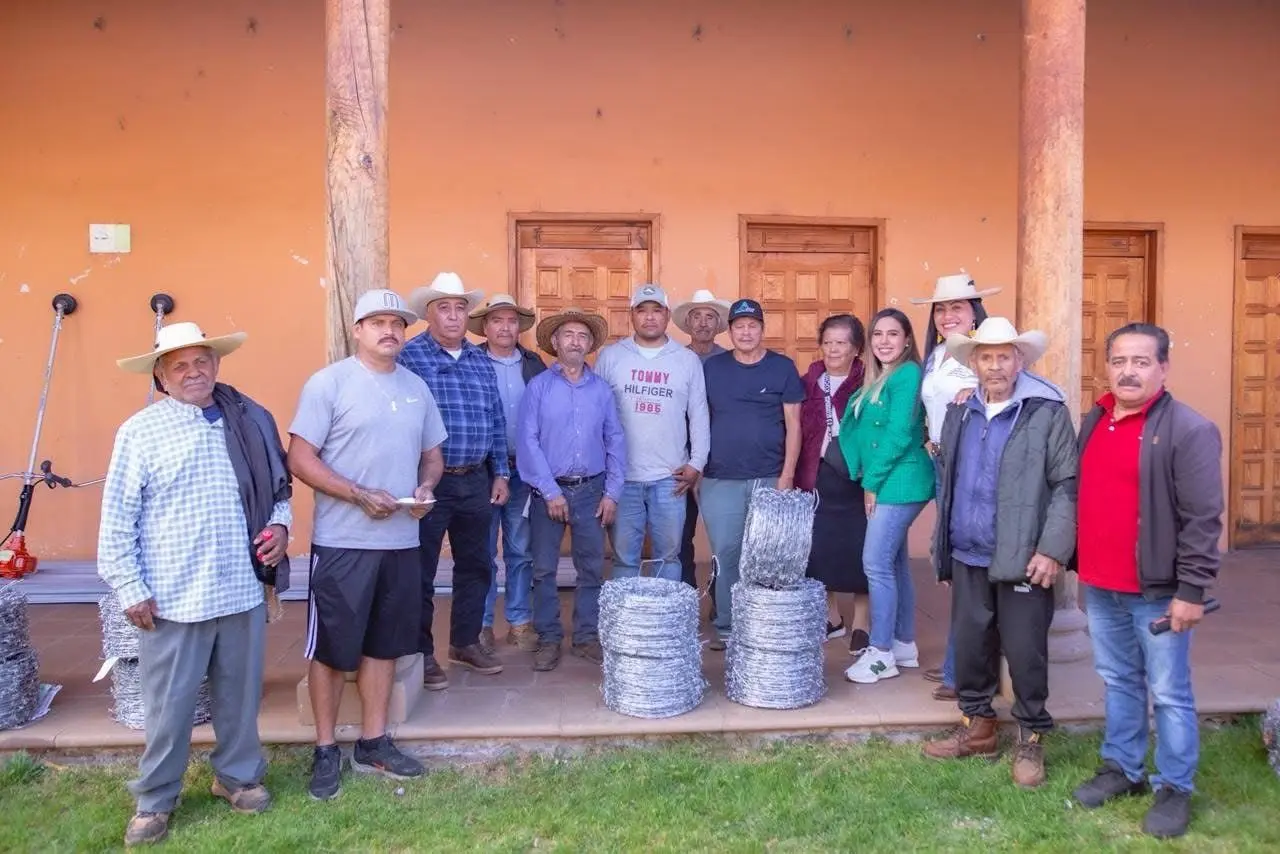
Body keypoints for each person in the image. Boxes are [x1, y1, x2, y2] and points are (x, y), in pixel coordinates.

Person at [99, 321, 292, 847]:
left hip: (240, 587)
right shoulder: (140, 431)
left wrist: (280, 526)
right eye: (179, 365)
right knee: (169, 707)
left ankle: (236, 777)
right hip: (172, 595)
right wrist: (129, 586)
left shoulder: (249, 420)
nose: (193, 372)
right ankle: (155, 799)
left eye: (202, 361)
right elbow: (118, 518)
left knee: (239, 695)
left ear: (217, 365)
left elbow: (278, 490)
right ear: (161, 375)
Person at [288, 289, 446, 801]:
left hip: (401, 539)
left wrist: (426, 489)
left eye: (397, 323)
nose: (389, 330)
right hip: (343, 542)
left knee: (384, 645)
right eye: (377, 322)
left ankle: (374, 741)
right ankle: (325, 747)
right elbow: (301, 459)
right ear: (357, 329)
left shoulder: (417, 387)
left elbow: (432, 456)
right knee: (333, 648)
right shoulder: (328, 383)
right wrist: (357, 494)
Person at [1072, 323, 1223, 839]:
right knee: (1118, 680)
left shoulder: (1188, 429)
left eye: (1141, 361)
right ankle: (1124, 768)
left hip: (1157, 591)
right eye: (1119, 361)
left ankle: (1175, 786)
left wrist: (1192, 591)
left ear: (1163, 368)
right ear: (1107, 366)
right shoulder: (1096, 419)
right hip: (1101, 583)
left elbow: (1203, 519)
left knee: (1170, 691)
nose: (1128, 371)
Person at [921, 317, 1077, 791]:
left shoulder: (1046, 412)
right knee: (971, 644)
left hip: (1024, 553)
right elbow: (950, 483)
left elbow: (1066, 486)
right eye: (986, 357)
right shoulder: (960, 411)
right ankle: (977, 728)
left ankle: (1031, 737)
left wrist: (1052, 550)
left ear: (1020, 361)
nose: (995, 366)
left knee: (1026, 650)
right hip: (970, 551)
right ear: (974, 363)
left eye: (1004, 356)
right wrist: (944, 547)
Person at [398, 272, 510, 688]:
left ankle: (464, 642)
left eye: (460, 308)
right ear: (428, 314)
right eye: (443, 308)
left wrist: (500, 471)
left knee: (477, 564)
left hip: (475, 480)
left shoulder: (482, 360)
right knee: (422, 569)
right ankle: (421, 652)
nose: (452, 316)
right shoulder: (411, 358)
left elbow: (496, 418)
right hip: (429, 483)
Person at [517, 307, 626, 671]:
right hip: (548, 492)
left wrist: (612, 492)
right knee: (544, 569)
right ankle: (549, 637)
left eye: (582, 336)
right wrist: (551, 492)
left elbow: (615, 440)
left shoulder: (602, 391)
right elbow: (528, 441)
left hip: (592, 491)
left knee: (592, 568)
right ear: (555, 343)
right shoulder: (539, 388)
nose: (575, 341)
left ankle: (586, 637)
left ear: (590, 344)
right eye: (568, 335)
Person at [701, 298, 804, 649]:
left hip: (768, 476)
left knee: (767, 555)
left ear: (762, 329)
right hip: (719, 477)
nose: (746, 332)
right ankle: (728, 626)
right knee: (726, 552)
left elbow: (794, 424)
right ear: (729, 332)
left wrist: (787, 475)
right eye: (739, 326)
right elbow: (694, 418)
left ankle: (762, 626)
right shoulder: (711, 369)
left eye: (752, 325)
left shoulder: (783, 368)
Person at [911, 274, 995, 701]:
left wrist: (976, 389)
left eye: (957, 308)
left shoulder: (985, 352)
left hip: (973, 463)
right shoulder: (938, 354)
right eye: (941, 309)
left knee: (968, 563)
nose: (948, 316)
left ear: (974, 310)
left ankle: (963, 670)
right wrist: (931, 439)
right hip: (944, 459)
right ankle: (957, 663)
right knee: (952, 562)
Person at [840, 309, 934, 683]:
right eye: (878, 334)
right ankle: (903, 643)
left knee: (875, 564)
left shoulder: (908, 374)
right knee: (893, 564)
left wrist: (871, 482)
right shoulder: (882, 377)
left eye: (893, 334)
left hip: (899, 482)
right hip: (890, 480)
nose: (884, 341)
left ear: (907, 340)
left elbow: (898, 434)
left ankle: (880, 654)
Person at [594, 284, 709, 582]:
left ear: (667, 315)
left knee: (668, 558)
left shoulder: (686, 360)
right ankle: (627, 625)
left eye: (656, 310)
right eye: (642, 311)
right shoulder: (611, 357)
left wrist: (696, 463)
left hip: (669, 479)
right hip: (622, 478)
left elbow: (699, 414)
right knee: (624, 559)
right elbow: (594, 415)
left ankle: (665, 626)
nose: (649, 318)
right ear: (631, 316)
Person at [470, 294, 546, 655]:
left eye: (511, 321)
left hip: (523, 471)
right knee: (482, 551)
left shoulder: (533, 364)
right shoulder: (471, 362)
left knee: (520, 548)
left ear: (520, 327)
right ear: (485, 327)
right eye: (497, 321)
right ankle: (482, 624)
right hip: (482, 472)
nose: (505, 327)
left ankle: (519, 621)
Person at [796, 314, 870, 654]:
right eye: (827, 342)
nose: (833, 349)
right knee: (818, 549)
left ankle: (861, 623)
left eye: (841, 342)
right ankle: (831, 617)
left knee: (859, 551)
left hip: (858, 478)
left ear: (856, 348)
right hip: (817, 474)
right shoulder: (808, 381)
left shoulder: (868, 382)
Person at [672, 289, 730, 612]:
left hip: (721, 462)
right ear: (688, 323)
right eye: (697, 317)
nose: (703, 323)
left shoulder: (728, 362)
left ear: (718, 323)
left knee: (725, 537)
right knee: (682, 537)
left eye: (710, 317)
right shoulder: (676, 360)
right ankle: (686, 601)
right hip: (682, 461)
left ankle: (722, 601)